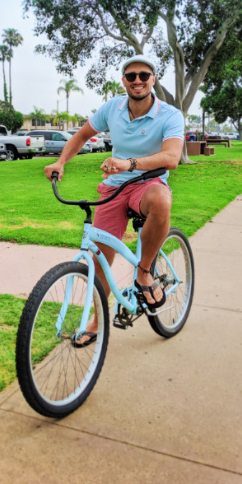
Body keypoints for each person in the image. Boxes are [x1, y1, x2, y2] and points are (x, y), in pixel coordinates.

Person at [44, 56, 184, 345]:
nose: (138, 80)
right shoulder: (112, 108)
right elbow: (82, 134)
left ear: (153, 80)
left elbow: (171, 158)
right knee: (100, 260)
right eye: (131, 76)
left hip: (148, 182)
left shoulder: (169, 114)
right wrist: (61, 162)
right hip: (114, 187)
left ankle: (144, 272)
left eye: (144, 75)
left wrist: (128, 163)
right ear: (124, 81)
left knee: (161, 200)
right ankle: (98, 322)